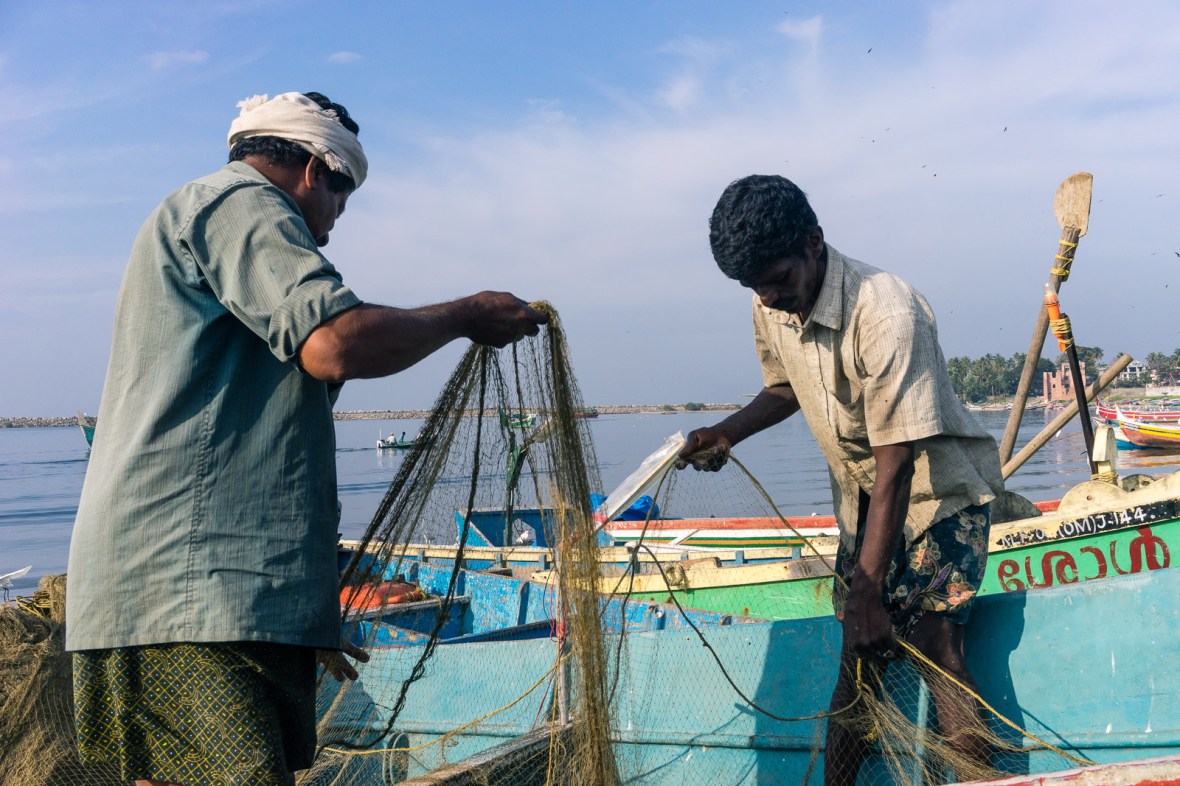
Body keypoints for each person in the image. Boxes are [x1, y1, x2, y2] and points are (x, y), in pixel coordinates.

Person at [65, 91, 548, 786]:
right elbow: (334, 343)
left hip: (181, 589)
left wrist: (302, 609)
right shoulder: (242, 204)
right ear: (316, 170)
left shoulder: (201, 214)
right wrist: (465, 315)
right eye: (339, 203)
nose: (329, 229)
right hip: (192, 591)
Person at [679, 174, 1005, 784]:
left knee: (935, 646)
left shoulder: (887, 313)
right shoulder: (770, 300)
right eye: (754, 287)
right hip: (864, 504)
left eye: (778, 280)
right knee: (856, 660)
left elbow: (898, 462)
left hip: (937, 496)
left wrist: (865, 591)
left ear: (814, 241)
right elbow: (785, 386)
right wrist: (724, 433)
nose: (768, 297)